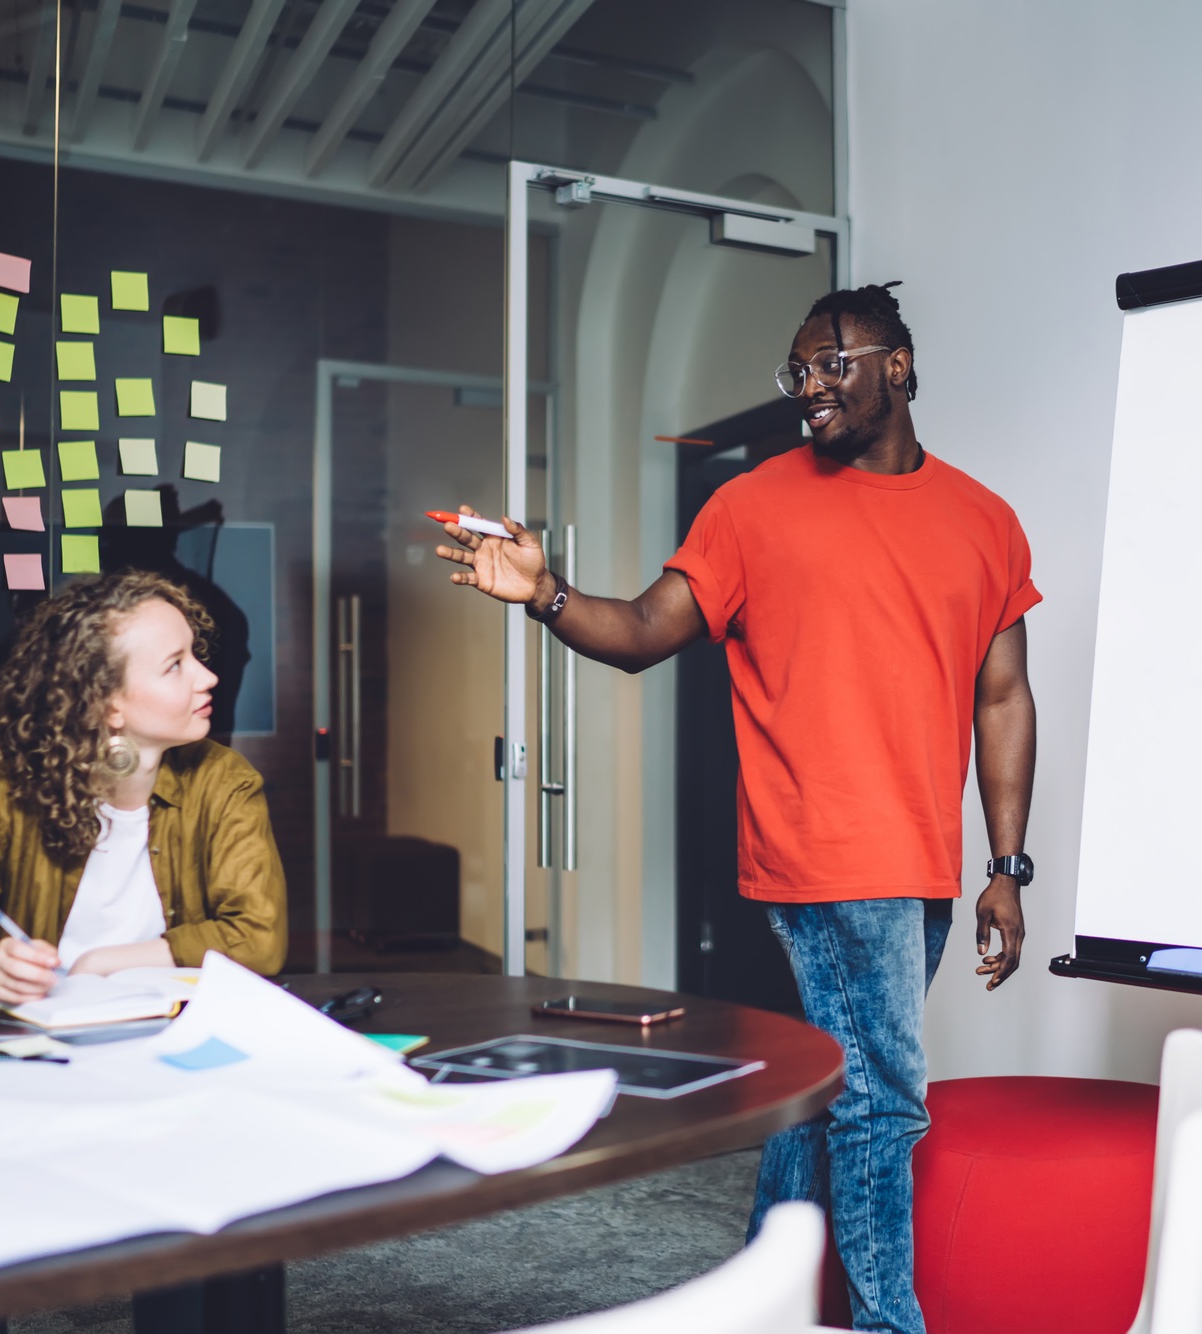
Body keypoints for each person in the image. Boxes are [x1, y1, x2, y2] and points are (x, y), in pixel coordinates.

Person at [436, 283, 1039, 1334]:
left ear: (896, 367)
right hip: (820, 853)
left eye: (831, 365)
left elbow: (1001, 695)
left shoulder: (984, 520)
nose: (808, 387)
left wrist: (1006, 861)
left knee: (827, 1089)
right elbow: (636, 630)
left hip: (922, 859)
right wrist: (545, 591)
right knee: (881, 1102)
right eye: (796, 371)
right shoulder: (752, 505)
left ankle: (747, 1300)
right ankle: (887, 1323)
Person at [0, 569, 287, 1001]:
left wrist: (106, 962)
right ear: (108, 703)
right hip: (44, 1048)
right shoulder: (8, 794)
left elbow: (259, 937)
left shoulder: (223, 781)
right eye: (176, 665)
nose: (207, 677)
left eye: (194, 655)